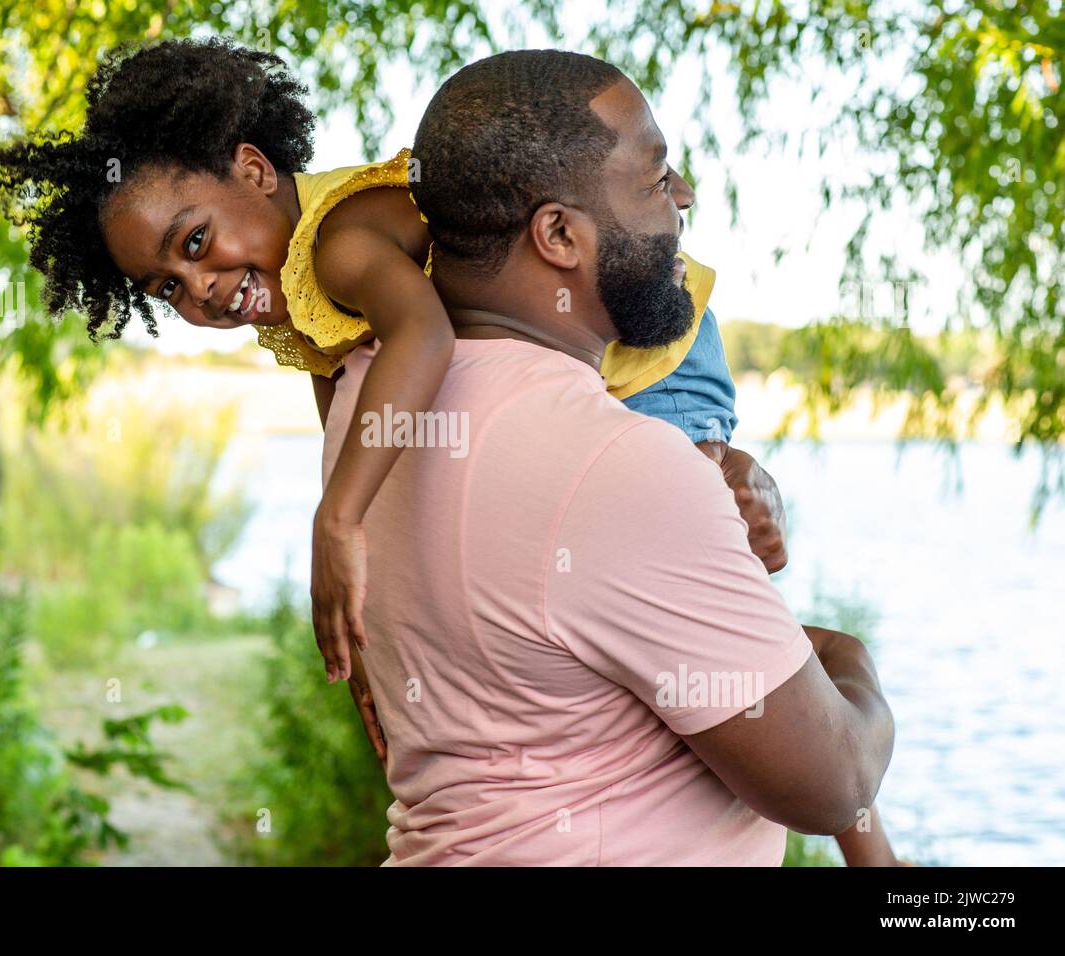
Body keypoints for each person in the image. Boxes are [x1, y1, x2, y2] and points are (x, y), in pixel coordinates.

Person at [0, 38, 783, 695]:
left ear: (255, 171)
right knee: (684, 623)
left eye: (193, 244)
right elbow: (353, 437)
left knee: (718, 627)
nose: (201, 289)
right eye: (166, 287)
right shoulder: (303, 299)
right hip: (615, 362)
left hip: (650, 355)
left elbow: (423, 339)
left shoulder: (339, 242)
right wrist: (376, 650)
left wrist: (338, 521)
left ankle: (855, 818)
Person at [323, 49, 899, 865]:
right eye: (656, 179)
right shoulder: (621, 465)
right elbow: (831, 784)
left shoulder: (360, 399)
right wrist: (847, 657)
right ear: (559, 234)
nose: (684, 200)